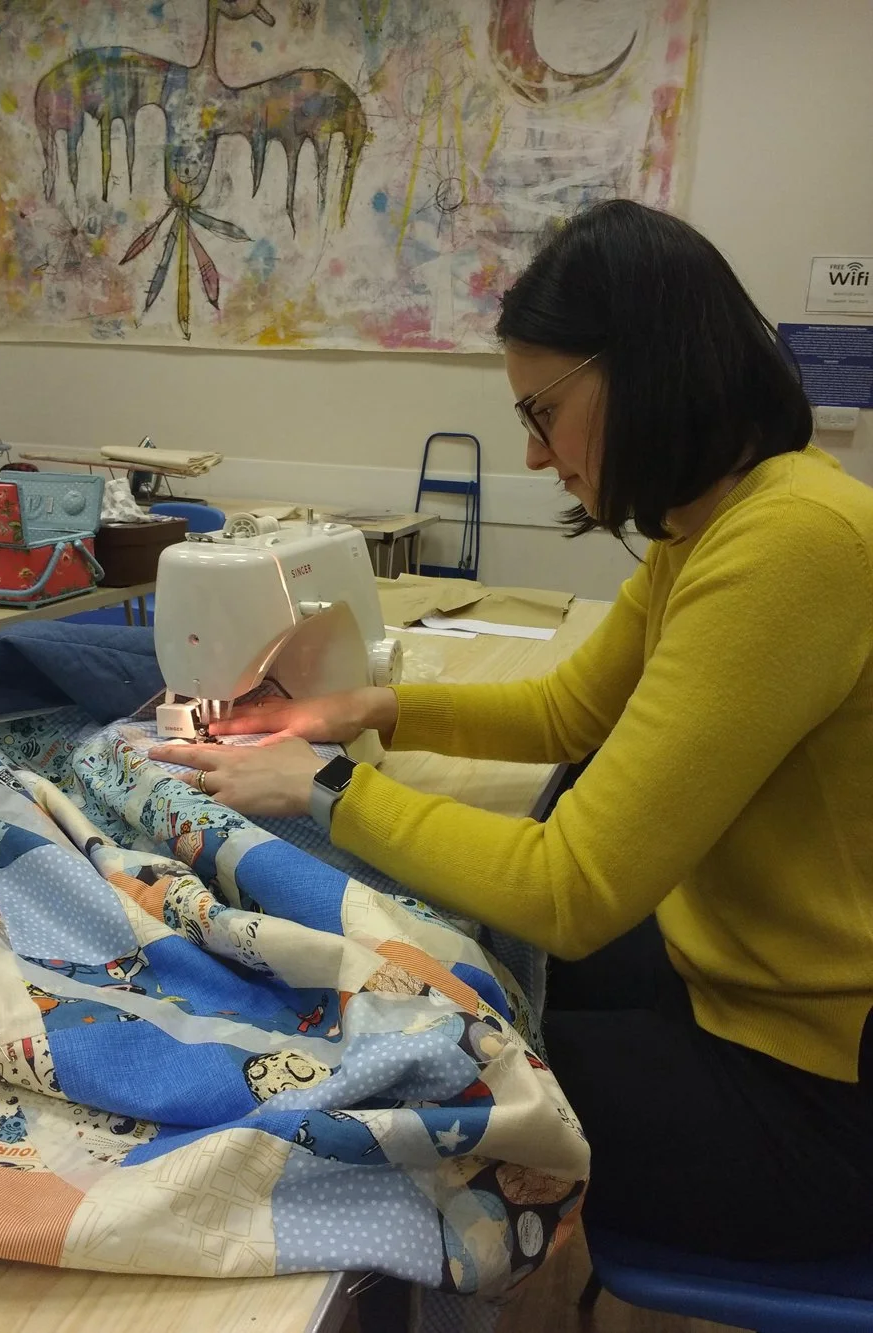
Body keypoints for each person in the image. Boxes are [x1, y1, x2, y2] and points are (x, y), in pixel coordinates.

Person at [150, 200, 873, 1262]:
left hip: (817, 1095)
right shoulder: (720, 521)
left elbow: (570, 890)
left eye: (544, 411)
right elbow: (568, 709)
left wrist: (324, 787)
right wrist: (365, 708)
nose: (534, 455)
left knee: (401, 1074)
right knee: (448, 974)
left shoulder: (789, 546)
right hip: (733, 985)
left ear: (643, 371)